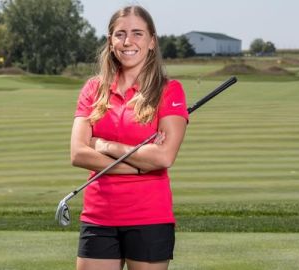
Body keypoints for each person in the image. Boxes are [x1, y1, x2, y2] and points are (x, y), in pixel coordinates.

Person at [70, 5, 188, 270]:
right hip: (99, 215)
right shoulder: (93, 88)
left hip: (149, 216)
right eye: (120, 34)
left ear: (152, 41)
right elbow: (78, 153)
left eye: (137, 33)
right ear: (111, 42)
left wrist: (103, 145)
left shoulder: (169, 90)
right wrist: (139, 165)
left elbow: (164, 156)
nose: (128, 42)